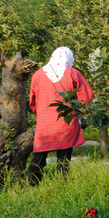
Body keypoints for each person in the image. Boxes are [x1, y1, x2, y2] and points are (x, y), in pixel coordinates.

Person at [27, 47, 94, 184]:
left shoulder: (38, 75)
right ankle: (61, 185)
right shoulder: (73, 73)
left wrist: (41, 110)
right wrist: (74, 105)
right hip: (66, 121)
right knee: (64, 158)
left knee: (39, 156)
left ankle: (32, 184)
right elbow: (86, 96)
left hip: (44, 123)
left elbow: (32, 102)